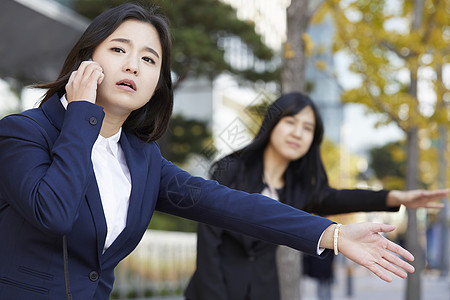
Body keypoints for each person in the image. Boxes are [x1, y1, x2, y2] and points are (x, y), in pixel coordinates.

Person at [0, 4, 417, 300]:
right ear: (86, 59)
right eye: (118, 49)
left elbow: (232, 205)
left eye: (149, 59)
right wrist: (81, 115)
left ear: (156, 85)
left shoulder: (142, 161)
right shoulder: (22, 133)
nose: (133, 65)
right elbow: (53, 212)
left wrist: (335, 234)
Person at [184, 92, 447, 300]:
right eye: (290, 122)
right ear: (272, 124)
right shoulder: (230, 169)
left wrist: (397, 197)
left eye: (307, 128)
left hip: (264, 291)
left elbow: (340, 198)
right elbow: (208, 244)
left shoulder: (298, 188)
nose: (298, 132)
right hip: (213, 289)